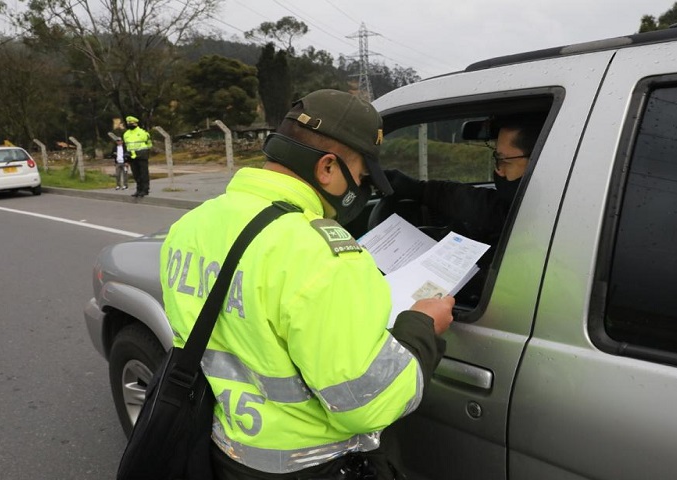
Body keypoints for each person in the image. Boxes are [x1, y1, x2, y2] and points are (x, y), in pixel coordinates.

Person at [160, 89, 455, 480]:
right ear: (328, 168)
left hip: (227, 453)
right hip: (315, 465)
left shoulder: (190, 227)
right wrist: (422, 327)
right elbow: (370, 403)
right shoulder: (323, 255)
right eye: (362, 176)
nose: (363, 189)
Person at [384, 114, 544, 302]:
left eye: (504, 160)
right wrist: (418, 189)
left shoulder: (540, 224)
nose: (498, 170)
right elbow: (481, 204)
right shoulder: (525, 206)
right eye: (495, 158)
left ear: (538, 162)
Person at [121, 115, 152, 197]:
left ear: (136, 123)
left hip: (142, 155)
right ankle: (138, 190)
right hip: (132, 156)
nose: (130, 124)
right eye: (128, 123)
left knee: (144, 173)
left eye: (131, 123)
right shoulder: (126, 134)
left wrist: (146, 152)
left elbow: (149, 144)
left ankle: (145, 190)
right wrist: (126, 156)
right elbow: (126, 146)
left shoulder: (143, 133)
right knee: (136, 174)